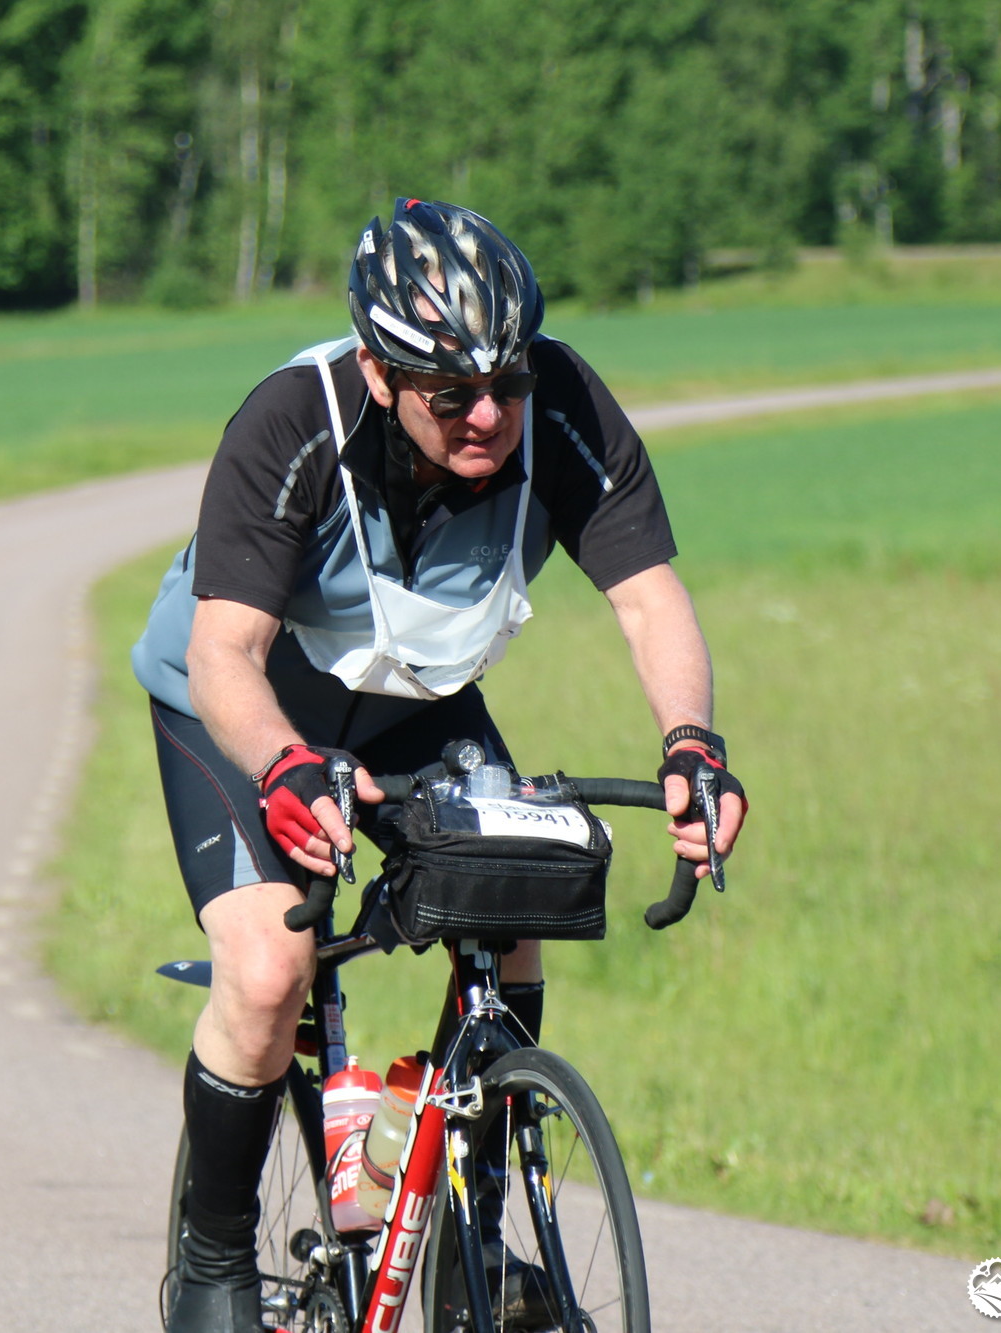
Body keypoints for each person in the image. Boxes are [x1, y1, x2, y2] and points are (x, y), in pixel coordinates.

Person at [130, 198, 748, 1332]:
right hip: (250, 704)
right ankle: (212, 1258)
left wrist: (692, 744)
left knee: (514, 896)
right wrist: (284, 765)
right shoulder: (294, 420)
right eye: (450, 394)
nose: (489, 415)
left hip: (414, 700)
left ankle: (473, 1240)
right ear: (379, 372)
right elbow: (225, 656)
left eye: (506, 383)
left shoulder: (560, 409)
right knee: (268, 970)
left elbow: (649, 598)